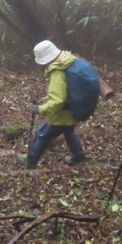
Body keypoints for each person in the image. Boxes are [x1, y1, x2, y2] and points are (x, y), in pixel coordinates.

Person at [18, 40, 86, 169]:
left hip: (62, 112)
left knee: (43, 134)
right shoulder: (68, 61)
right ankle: (78, 156)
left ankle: (31, 161)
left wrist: (40, 109)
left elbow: (57, 101)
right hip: (72, 108)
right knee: (69, 132)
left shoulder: (57, 72)